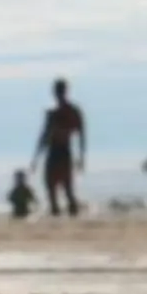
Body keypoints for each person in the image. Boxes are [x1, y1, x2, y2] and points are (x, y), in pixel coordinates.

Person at [31, 77, 86, 217]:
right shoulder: (54, 113)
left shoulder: (68, 112)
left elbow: (81, 134)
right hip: (57, 151)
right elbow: (44, 135)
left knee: (64, 188)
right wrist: (36, 157)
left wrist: (81, 156)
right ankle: (59, 214)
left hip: (61, 151)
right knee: (54, 188)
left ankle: (68, 214)